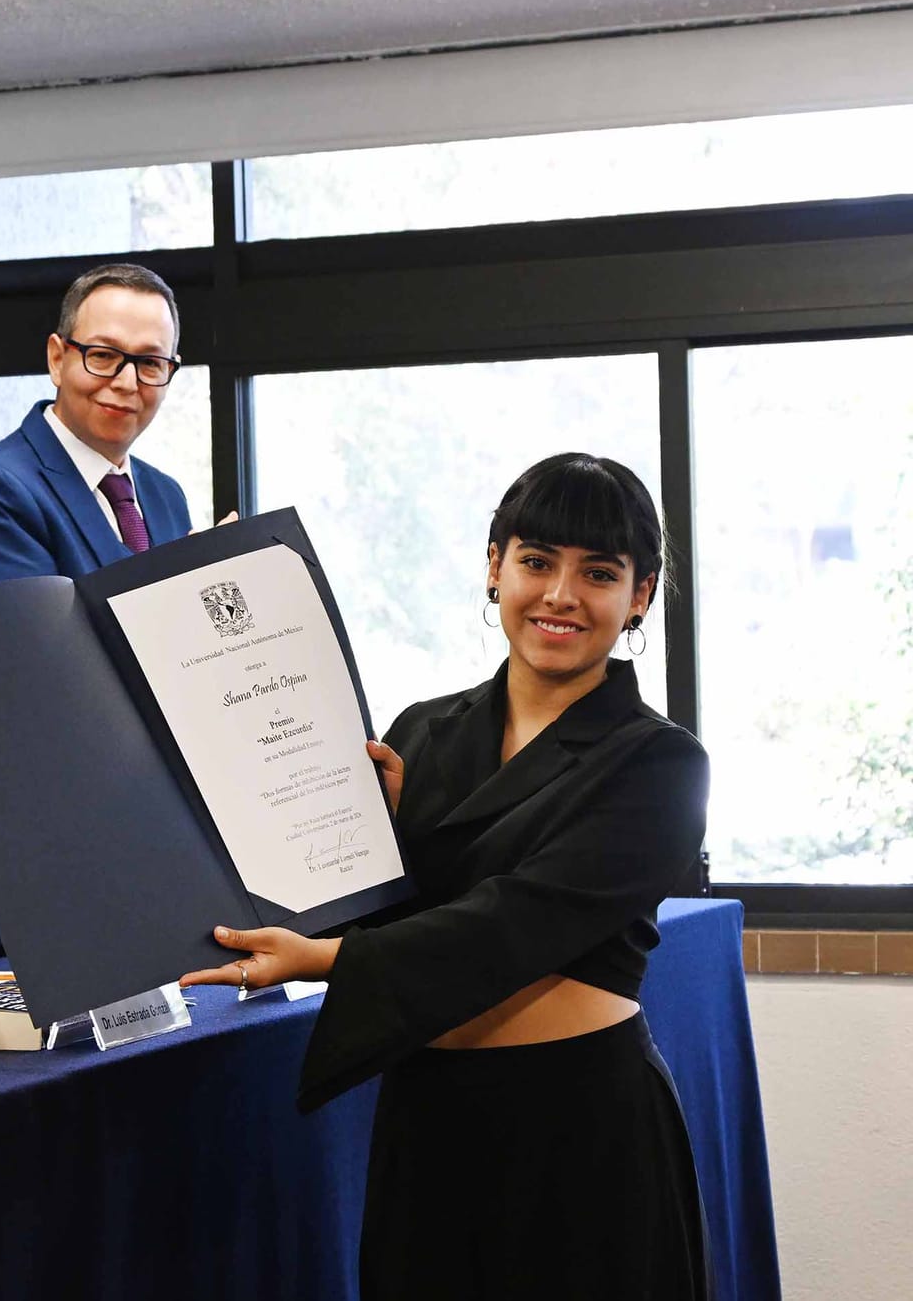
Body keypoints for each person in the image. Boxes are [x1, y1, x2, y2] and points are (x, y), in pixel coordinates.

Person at [183, 453, 711, 1299]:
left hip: (582, 1127)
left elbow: (514, 922)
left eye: (599, 573)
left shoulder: (662, 762)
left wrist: (325, 959)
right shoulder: (421, 734)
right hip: (427, 1118)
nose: (561, 595)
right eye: (536, 561)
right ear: (495, 567)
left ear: (640, 594)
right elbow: (360, 905)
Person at [0, 262, 195, 958]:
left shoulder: (164, 496)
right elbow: (31, 677)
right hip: (37, 857)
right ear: (57, 356)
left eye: (151, 364)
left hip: (146, 850)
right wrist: (186, 618)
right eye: (103, 355)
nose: (126, 382)